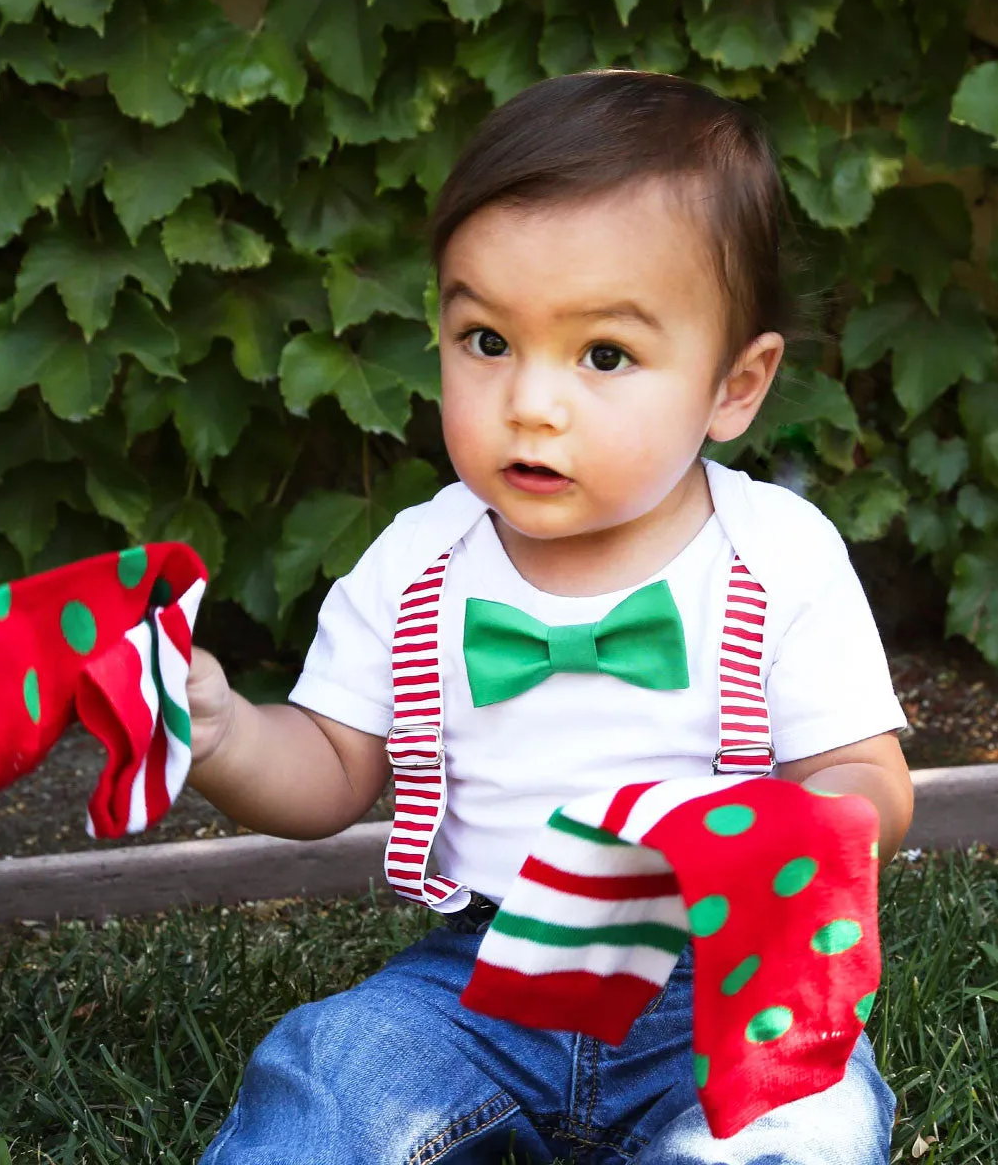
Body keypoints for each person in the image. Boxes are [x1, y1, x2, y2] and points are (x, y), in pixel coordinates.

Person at [189, 71, 913, 1164]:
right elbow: (330, 768)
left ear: (735, 385)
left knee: (812, 1119)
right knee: (330, 1072)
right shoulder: (419, 561)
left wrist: (797, 828)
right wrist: (225, 732)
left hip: (710, 983)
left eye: (603, 356)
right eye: (485, 340)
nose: (529, 401)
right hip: (478, 980)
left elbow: (865, 780)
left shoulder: (775, 558)